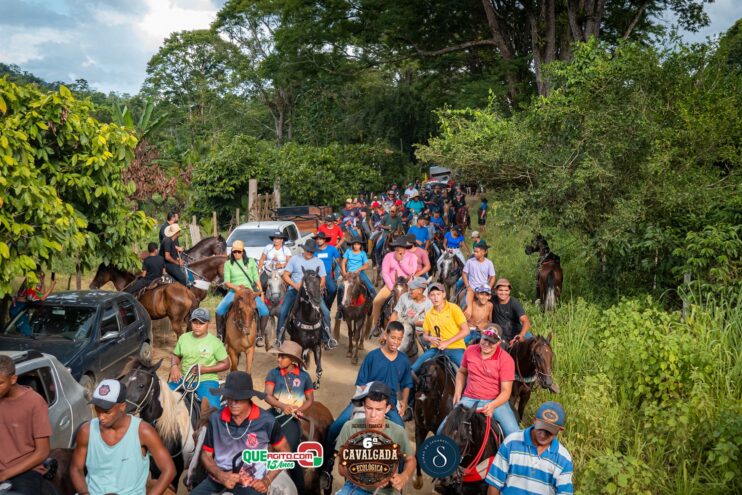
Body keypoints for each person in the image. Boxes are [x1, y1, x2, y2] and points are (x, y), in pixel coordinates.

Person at [192, 372, 290, 495]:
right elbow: (206, 454)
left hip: (251, 483)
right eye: (230, 397)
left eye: (239, 398)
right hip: (217, 480)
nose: (233, 402)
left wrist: (267, 480)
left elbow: (285, 452)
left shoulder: (267, 421)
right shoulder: (215, 419)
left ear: (248, 397)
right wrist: (220, 475)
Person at [71, 379, 175, 495]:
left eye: (107, 412)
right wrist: (85, 493)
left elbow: (169, 470)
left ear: (122, 406)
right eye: (97, 410)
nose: (101, 417)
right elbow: (76, 468)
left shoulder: (143, 432)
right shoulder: (86, 431)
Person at [332, 381, 417, 495]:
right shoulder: (349, 427)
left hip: (387, 492)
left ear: (387, 408)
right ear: (364, 406)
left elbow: (411, 460)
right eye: (369, 408)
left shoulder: (398, 432)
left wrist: (404, 476)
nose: (373, 415)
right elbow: (341, 469)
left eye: (378, 410)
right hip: (354, 487)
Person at [438, 325, 519, 438]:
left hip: (495, 401)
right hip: (469, 398)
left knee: (513, 434)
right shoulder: (470, 350)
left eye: (492, 342)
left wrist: (493, 405)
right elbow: (462, 372)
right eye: (485, 339)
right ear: (481, 335)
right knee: (441, 430)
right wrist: (458, 392)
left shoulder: (506, 359)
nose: (487, 344)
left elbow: (506, 391)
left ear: (499, 342)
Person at [486, 401, 573, 495]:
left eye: (549, 431)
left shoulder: (564, 459)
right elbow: (494, 484)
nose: (543, 435)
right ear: (534, 420)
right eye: (540, 428)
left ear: (560, 430)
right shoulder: (511, 442)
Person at [264, 341, 315, 492]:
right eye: (278, 356)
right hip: (274, 414)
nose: (278, 359)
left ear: (293, 360)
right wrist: (282, 406)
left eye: (282, 357)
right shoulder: (273, 373)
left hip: (292, 419)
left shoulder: (305, 377)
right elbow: (267, 396)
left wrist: (299, 410)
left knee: (291, 454)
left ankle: (300, 488)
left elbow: (310, 400)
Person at [0, 355, 52, 494]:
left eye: (0, 383)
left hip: (25, 471)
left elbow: (42, 452)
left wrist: (4, 475)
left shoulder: (34, 402)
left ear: (13, 379)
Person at [275, 239, 337, 350]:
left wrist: (317, 288)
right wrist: (294, 285)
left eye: (312, 251)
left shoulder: (318, 262)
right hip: (295, 291)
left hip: (313, 293)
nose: (309, 253)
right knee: (283, 311)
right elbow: (285, 275)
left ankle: (327, 339)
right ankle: (279, 338)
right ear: (304, 250)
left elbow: (323, 279)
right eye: (308, 250)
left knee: (326, 312)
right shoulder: (295, 259)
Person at [169, 308, 230, 408]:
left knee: (212, 409)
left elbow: (226, 364)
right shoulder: (183, 338)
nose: (197, 326)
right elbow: (176, 355)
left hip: (206, 380)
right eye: (195, 322)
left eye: (201, 323)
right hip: (184, 378)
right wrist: (174, 366)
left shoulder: (215, 342)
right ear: (191, 322)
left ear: (208, 323)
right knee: (162, 399)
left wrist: (205, 369)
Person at [217, 239, 269, 343]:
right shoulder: (228, 264)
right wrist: (237, 288)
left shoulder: (250, 261)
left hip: (249, 292)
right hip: (234, 291)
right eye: (234, 252)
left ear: (243, 251)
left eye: (239, 251)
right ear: (232, 252)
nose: (237, 254)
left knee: (265, 311)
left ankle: (260, 335)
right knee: (219, 310)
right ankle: (220, 334)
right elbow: (227, 282)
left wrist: (261, 292)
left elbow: (256, 278)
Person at [410, 282, 469, 374]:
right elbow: (425, 336)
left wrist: (447, 342)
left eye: (438, 294)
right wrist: (430, 338)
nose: (435, 297)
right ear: (429, 297)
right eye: (432, 295)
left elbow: (465, 331)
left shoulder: (454, 308)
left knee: (467, 372)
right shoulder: (429, 314)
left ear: (443, 295)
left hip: (455, 348)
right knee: (413, 369)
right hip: (436, 349)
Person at [370, 238, 417, 335]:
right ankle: (376, 326)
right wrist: (392, 287)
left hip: (407, 286)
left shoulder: (412, 256)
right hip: (391, 285)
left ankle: (418, 328)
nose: (398, 249)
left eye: (401, 247)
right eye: (396, 247)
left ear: (405, 248)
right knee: (376, 301)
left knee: (419, 301)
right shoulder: (389, 256)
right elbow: (385, 272)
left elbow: (412, 272)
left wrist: (401, 261)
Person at [389, 277, 433, 349]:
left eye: (412, 289)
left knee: (432, 350)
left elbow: (430, 323)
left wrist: (413, 323)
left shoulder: (429, 304)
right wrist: (387, 331)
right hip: (401, 330)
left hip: (419, 334)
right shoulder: (404, 297)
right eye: (410, 288)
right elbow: (395, 314)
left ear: (420, 291)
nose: (409, 291)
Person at [338, 236, 377, 313]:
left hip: (359, 273)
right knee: (340, 287)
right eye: (355, 244)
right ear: (352, 245)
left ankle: (373, 303)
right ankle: (339, 307)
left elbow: (366, 265)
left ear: (360, 245)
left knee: (370, 286)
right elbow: (343, 262)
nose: (356, 246)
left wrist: (359, 269)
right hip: (349, 273)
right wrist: (344, 272)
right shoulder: (348, 251)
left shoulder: (363, 253)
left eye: (358, 244)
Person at [491, 279, 532, 346]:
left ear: (509, 291)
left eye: (506, 290)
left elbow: (526, 321)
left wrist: (521, 335)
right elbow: (479, 296)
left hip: (516, 332)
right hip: (501, 334)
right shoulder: (491, 299)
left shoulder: (514, 302)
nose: (503, 293)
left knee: (532, 343)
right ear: (495, 290)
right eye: (500, 290)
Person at [462, 241, 496, 317]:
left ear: (484, 252)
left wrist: (489, 288)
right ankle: (465, 313)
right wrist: (468, 286)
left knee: (494, 303)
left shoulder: (489, 263)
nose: (475, 253)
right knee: (465, 303)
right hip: (472, 288)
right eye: (474, 251)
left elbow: (493, 276)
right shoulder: (470, 262)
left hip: (484, 288)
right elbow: (464, 273)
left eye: (477, 252)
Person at [314, 232, 341, 312]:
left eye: (320, 239)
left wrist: (343, 271)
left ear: (324, 240)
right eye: (317, 239)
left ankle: (327, 306)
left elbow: (338, 260)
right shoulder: (313, 249)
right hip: (316, 275)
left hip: (327, 274)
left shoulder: (332, 249)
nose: (318, 241)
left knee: (333, 290)